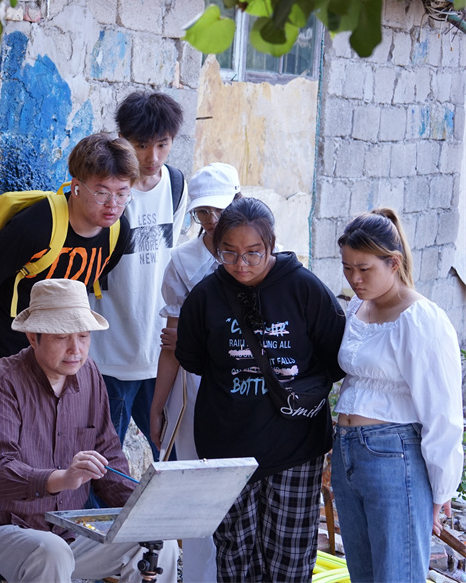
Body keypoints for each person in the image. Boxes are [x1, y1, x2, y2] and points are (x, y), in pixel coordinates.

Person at [0, 278, 179, 583]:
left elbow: (108, 458)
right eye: (62, 337)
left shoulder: (89, 374)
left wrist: (147, 509)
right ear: (33, 337)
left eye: (83, 336)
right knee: (50, 552)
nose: (75, 350)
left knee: (157, 541)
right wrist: (63, 479)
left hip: (63, 532)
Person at [175, 197, 346, 582]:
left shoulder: (304, 288)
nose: (241, 264)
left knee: (289, 558)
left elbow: (335, 358)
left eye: (253, 252)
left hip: (295, 447)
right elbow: (193, 358)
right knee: (235, 555)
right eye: (229, 253)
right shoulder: (205, 296)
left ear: (271, 245)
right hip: (228, 450)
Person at [332, 209, 463, 582]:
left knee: (397, 575)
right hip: (346, 452)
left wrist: (441, 489)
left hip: (393, 456)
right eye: (347, 268)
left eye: (364, 269)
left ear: (393, 263)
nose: (354, 278)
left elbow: (442, 412)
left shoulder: (422, 319)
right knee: (363, 573)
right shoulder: (358, 307)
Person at [0, 133, 134, 370]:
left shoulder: (119, 231)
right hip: (4, 354)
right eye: (102, 193)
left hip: (62, 358)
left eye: (122, 194)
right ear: (76, 187)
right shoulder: (35, 227)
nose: (112, 205)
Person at [148, 162, 241, 583]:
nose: (212, 219)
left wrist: (194, 335)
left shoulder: (258, 254)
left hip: (245, 390)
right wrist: (158, 405)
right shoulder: (183, 261)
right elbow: (171, 344)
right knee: (197, 495)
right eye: (203, 211)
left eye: (219, 209)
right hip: (195, 390)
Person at [87, 91, 186, 455]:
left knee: (175, 456)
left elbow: (170, 265)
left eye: (162, 144)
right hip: (108, 356)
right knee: (103, 463)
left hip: (159, 356)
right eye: (141, 145)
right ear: (122, 140)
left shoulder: (177, 187)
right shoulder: (107, 194)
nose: (153, 157)